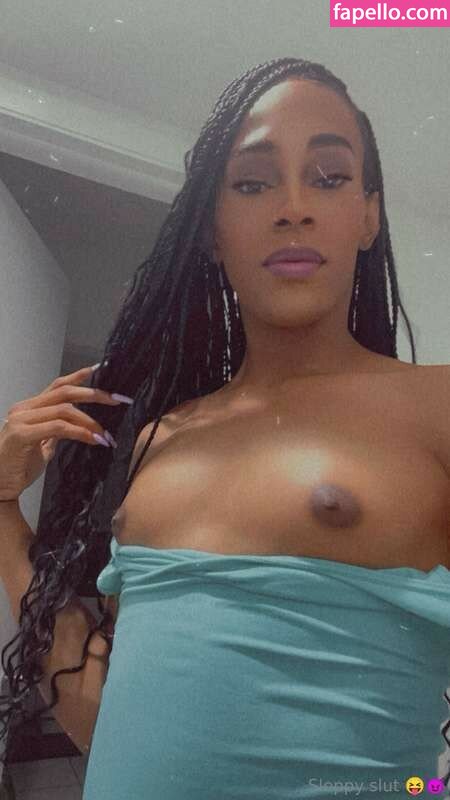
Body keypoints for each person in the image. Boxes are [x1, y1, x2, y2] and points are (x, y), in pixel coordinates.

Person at [0, 57, 449, 799]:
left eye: (329, 177)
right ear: (212, 229)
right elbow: (101, 714)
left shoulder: (436, 409)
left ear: (369, 214)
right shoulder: (160, 439)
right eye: (252, 183)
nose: (293, 207)